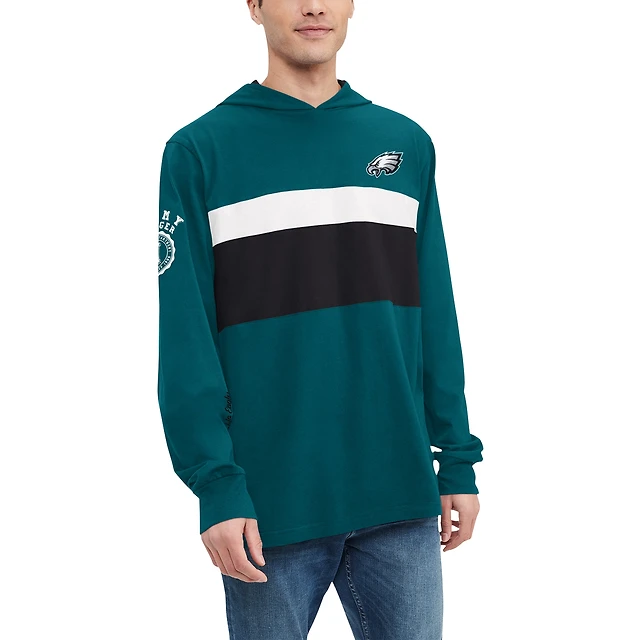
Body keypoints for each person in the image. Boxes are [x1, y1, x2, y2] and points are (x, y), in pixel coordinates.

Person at [156, 1, 484, 637]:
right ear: (254, 6)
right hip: (270, 506)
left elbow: (435, 314)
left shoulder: (405, 143)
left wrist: (457, 457)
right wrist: (216, 485)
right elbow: (186, 336)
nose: (313, 5)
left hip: (400, 492)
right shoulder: (200, 151)